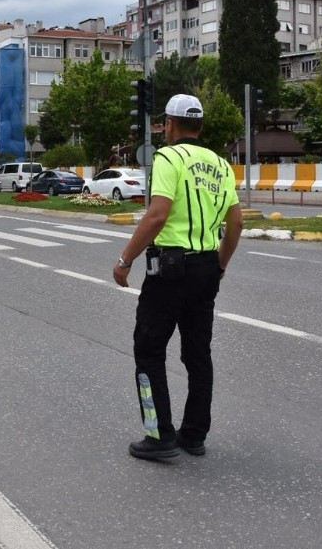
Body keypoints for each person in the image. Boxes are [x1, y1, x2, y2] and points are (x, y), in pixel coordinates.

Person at [112, 94, 244, 461]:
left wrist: (125, 260)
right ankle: (194, 435)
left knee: (149, 349)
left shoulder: (168, 157)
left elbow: (157, 216)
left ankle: (159, 435)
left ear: (169, 124)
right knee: (198, 354)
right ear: (199, 125)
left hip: (170, 271)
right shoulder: (220, 164)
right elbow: (236, 223)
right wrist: (220, 264)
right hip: (206, 268)